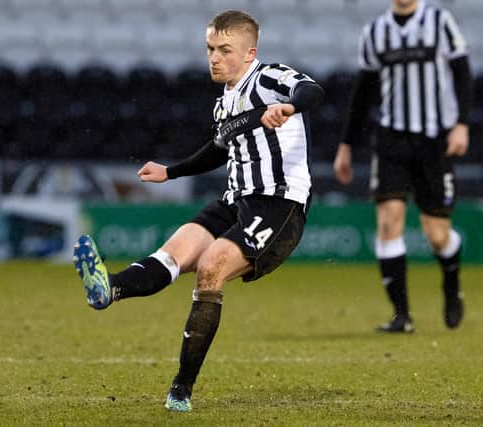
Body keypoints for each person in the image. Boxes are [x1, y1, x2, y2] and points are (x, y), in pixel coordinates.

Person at [73, 10, 324, 412]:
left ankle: (181, 390)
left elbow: (313, 91)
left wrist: (290, 108)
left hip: (279, 205)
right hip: (234, 199)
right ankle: (110, 288)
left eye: (225, 50)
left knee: (211, 265)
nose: (214, 58)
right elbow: (217, 150)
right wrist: (170, 171)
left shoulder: (270, 78)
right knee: (173, 253)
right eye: (210, 49)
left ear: (249, 52)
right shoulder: (224, 100)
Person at [334, 0, 471, 333]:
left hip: (434, 139)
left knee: (437, 236)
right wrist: (346, 145)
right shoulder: (375, 32)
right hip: (392, 139)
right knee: (388, 222)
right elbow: (363, 91)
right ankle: (401, 315)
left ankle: (451, 286)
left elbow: (462, 72)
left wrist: (462, 124)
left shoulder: (440, 22)